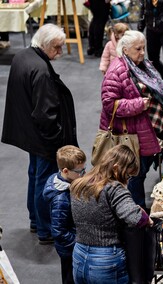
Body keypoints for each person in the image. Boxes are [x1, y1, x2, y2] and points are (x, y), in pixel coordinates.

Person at [1, 24, 78, 245]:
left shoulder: (23, 55)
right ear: (44, 45)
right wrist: (58, 142)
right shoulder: (42, 71)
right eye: (57, 48)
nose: (60, 53)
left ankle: (36, 221)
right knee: (46, 182)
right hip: (43, 138)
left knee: (35, 176)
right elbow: (46, 115)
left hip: (28, 133)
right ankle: (45, 229)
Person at [100, 30, 163, 209]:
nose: (142, 52)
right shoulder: (116, 71)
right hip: (131, 134)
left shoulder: (141, 65)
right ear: (125, 50)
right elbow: (109, 104)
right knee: (134, 175)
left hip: (145, 131)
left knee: (141, 171)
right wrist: (139, 104)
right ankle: (135, 215)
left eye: (143, 48)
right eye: (137, 49)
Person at [70, 145, 153, 284]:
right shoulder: (114, 189)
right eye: (128, 175)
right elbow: (135, 218)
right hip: (106, 260)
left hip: (79, 255)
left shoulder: (79, 184)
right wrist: (146, 218)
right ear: (116, 168)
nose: (128, 180)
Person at [43, 146, 86, 284]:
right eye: (80, 172)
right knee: (70, 278)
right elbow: (59, 232)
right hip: (70, 249)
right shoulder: (61, 199)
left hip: (72, 244)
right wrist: (78, 243)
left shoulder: (62, 179)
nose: (83, 175)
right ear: (66, 171)